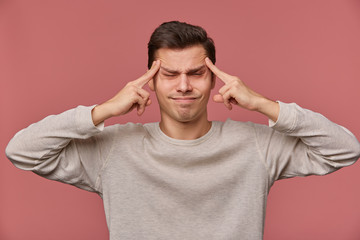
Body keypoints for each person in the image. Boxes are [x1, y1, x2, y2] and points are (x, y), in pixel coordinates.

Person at [6, 21, 360, 240]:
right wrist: (103, 112)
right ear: (151, 81)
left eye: (196, 73)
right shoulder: (115, 148)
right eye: (170, 74)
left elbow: (344, 149)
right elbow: (22, 150)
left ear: (213, 78)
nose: (184, 85)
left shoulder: (255, 146)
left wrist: (263, 104)